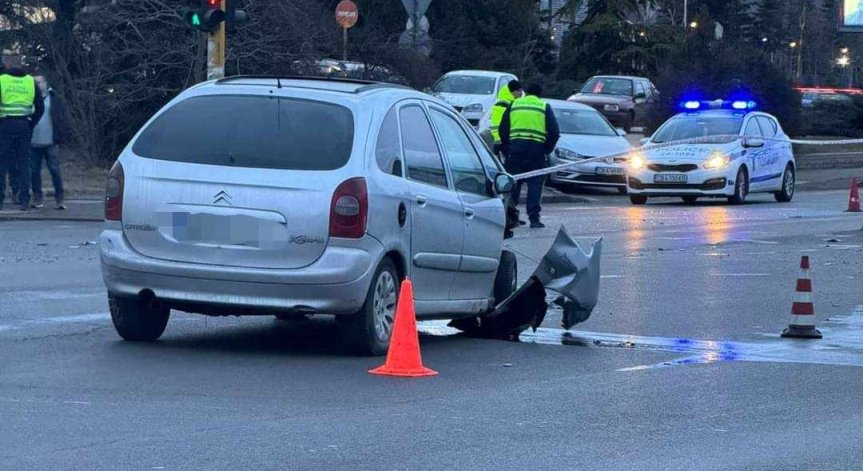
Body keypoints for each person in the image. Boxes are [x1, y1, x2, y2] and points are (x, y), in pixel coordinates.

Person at [499, 83, 560, 229]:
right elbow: (554, 132)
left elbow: (503, 128)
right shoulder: (543, 106)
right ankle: (534, 219)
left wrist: (508, 148)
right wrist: (546, 150)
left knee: (514, 183)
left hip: (516, 149)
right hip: (536, 151)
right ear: (540, 94)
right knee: (535, 185)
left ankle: (511, 218)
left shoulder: (514, 104)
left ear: (526, 92)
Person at [0, 60, 44, 211]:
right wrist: (31, 124)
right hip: (24, 126)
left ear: (9, 67)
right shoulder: (30, 82)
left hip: (5, 125)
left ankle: (1, 198)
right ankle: (24, 200)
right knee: (24, 163)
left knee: (2, 163)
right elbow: (40, 107)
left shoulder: (2, 80)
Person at [30, 75, 71, 209]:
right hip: (33, 142)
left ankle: (60, 200)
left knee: (55, 170)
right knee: (34, 171)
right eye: (35, 82)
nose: (37, 84)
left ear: (45, 83)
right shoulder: (29, 99)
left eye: (40, 82)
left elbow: (62, 118)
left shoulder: (55, 99)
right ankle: (37, 198)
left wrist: (62, 135)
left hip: (51, 141)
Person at [489, 80, 523, 160]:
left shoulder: (511, 102)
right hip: (503, 141)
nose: (521, 94)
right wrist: (498, 140)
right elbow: (496, 124)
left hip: (509, 140)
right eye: (519, 91)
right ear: (514, 91)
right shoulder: (502, 104)